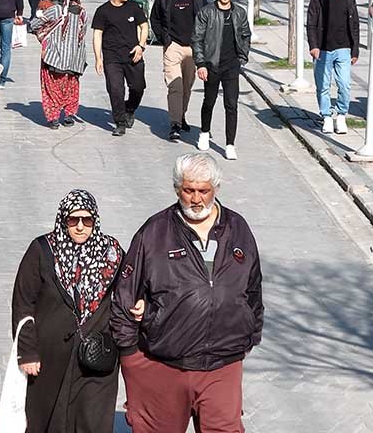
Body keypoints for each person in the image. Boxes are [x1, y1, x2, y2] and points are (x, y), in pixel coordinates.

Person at [111, 153, 264, 433]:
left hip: (223, 364)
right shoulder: (154, 232)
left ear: (216, 189)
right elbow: (125, 296)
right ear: (177, 189)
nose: (196, 199)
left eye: (203, 191)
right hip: (165, 365)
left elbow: (253, 289)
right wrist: (130, 356)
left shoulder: (238, 228)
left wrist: (250, 334)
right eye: (189, 190)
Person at [11, 189, 124, 431]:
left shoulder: (112, 253)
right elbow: (23, 301)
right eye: (73, 220)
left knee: (92, 420)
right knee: (48, 419)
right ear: (63, 220)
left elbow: (128, 291)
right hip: (50, 357)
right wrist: (27, 352)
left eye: (87, 220)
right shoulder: (42, 250)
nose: (81, 227)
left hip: (97, 356)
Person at [192, 0, 251, 160]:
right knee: (209, 101)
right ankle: (204, 132)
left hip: (232, 65)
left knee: (231, 105)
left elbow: (246, 34)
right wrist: (201, 64)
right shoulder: (206, 12)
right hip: (211, 65)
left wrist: (242, 56)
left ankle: (230, 144)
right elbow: (197, 39)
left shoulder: (239, 12)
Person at [150, 0, 207, 141]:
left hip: (193, 48)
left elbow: (206, 16)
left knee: (187, 86)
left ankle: (181, 116)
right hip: (173, 46)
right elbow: (155, 19)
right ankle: (174, 124)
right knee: (175, 85)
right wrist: (164, 39)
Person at [93, 0, 149, 136]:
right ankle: (120, 122)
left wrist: (141, 46)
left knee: (138, 87)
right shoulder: (103, 11)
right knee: (116, 90)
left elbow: (144, 27)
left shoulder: (133, 7)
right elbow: (97, 35)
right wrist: (98, 58)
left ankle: (129, 109)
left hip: (134, 56)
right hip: (112, 58)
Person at [307, 0, 360, 134]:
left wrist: (355, 50)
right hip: (323, 49)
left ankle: (341, 114)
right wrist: (313, 45)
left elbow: (355, 25)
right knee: (323, 85)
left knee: (344, 84)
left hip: (343, 48)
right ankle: (327, 116)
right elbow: (311, 24)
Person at [30, 0, 89, 127]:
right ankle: (69, 114)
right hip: (75, 59)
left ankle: (53, 116)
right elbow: (82, 35)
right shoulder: (84, 15)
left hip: (53, 56)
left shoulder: (56, 10)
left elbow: (34, 24)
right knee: (71, 87)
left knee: (50, 86)